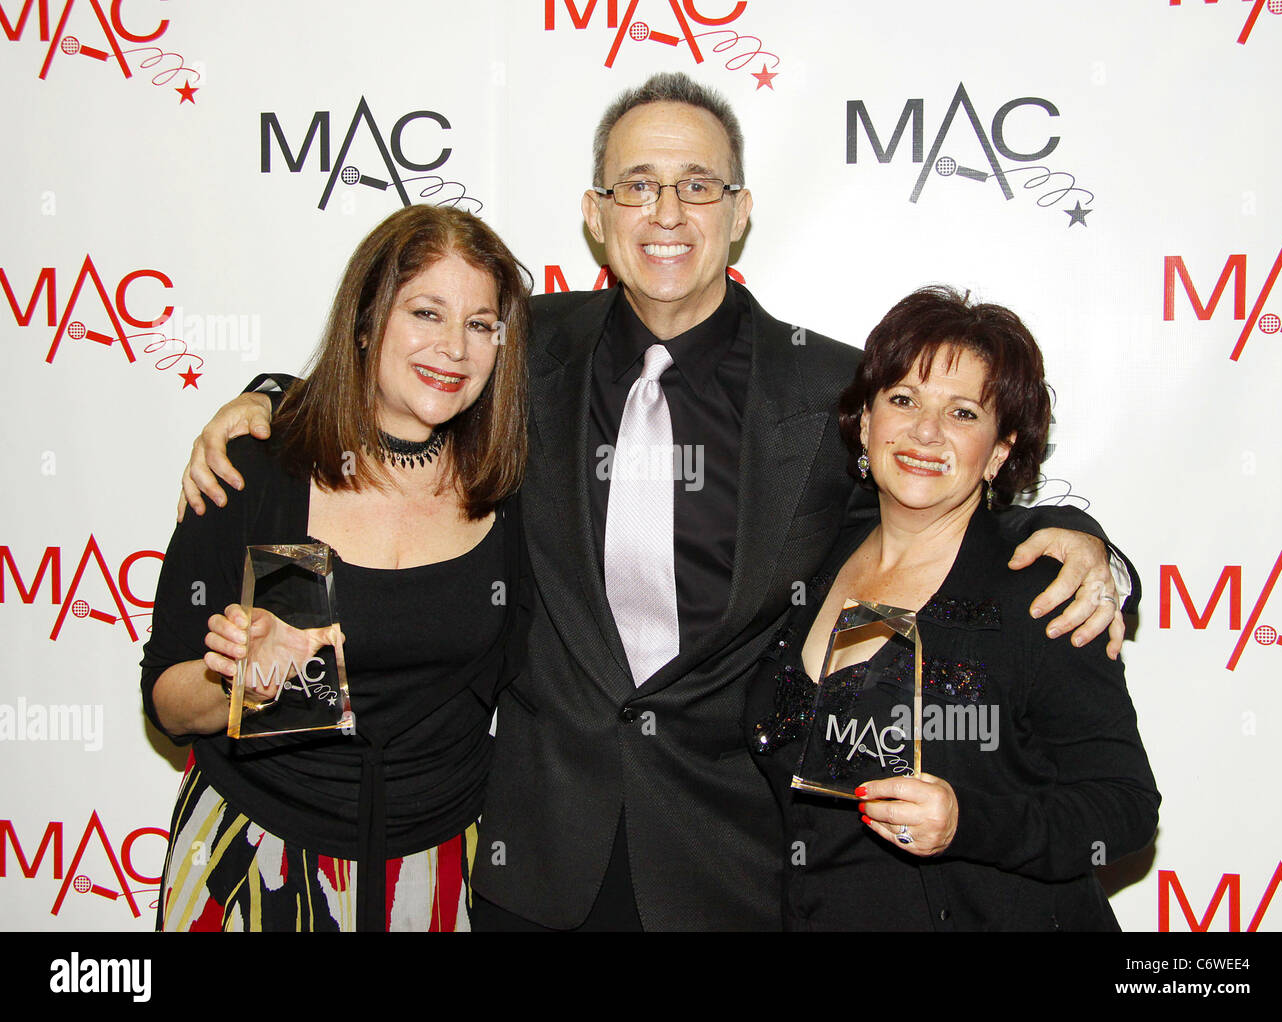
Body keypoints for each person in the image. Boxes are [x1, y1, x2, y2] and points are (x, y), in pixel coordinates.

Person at [173, 74, 1134, 931]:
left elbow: (934, 496)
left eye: (697, 184)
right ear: (596, 213)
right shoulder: (521, 355)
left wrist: (1089, 545)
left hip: (733, 868)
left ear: (739, 209)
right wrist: (264, 400)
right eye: (637, 184)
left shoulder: (831, 389)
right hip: (535, 862)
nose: (666, 210)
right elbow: (398, 381)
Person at [140, 205, 533, 931]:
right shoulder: (256, 468)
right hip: (254, 859)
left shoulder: (513, 491)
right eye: (425, 312)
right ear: (365, 319)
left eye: (481, 324)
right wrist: (238, 681)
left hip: (442, 869)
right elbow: (167, 702)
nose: (453, 348)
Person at [746, 287, 1159, 930]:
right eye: (903, 399)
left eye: (964, 413)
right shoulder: (810, 557)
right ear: (865, 421)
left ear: (998, 452)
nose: (926, 431)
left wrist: (970, 822)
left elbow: (1124, 806)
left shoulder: (1042, 589)